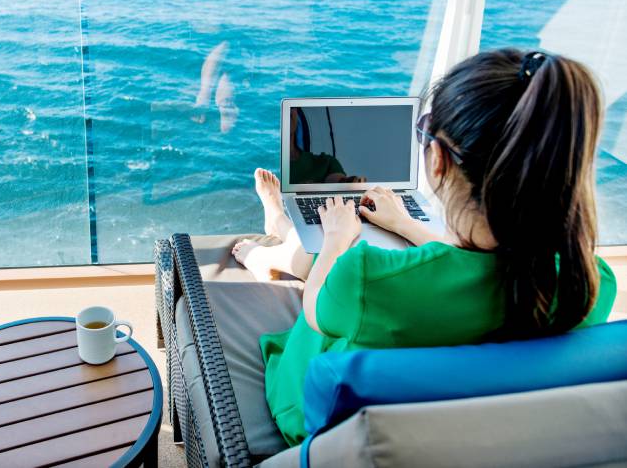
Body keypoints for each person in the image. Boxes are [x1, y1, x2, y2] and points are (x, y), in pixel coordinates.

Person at [233, 48, 618, 445]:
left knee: (327, 263)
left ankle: (273, 243)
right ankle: (280, 232)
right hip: (486, 437)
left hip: (335, 424)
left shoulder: (366, 277)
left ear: (436, 159)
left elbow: (315, 307)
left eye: (425, 130)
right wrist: (404, 224)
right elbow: (475, 265)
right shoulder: (586, 282)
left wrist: (335, 239)